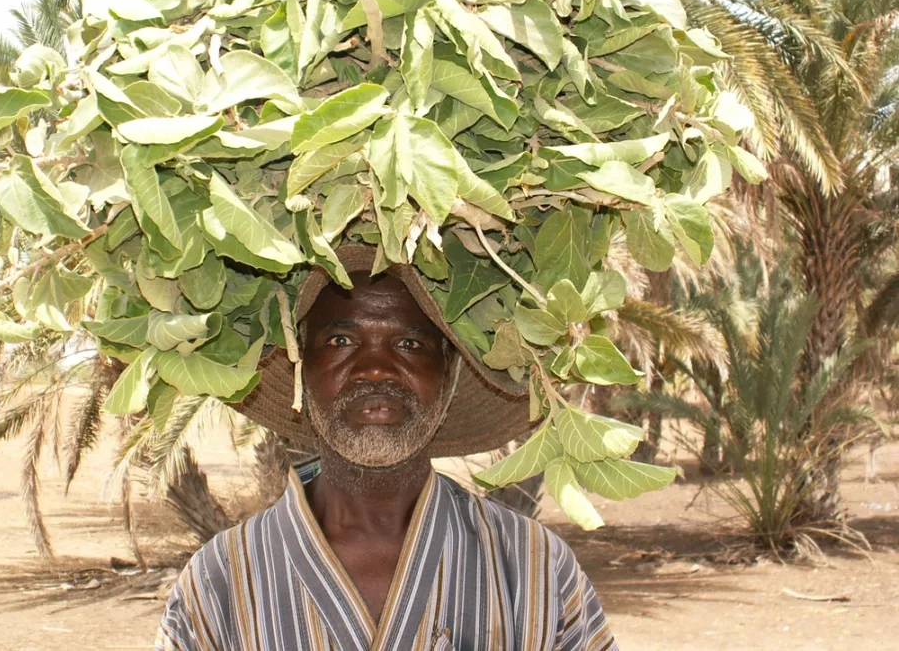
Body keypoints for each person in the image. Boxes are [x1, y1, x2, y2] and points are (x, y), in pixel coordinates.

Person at [154, 245, 617, 650]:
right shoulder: (221, 580)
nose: (375, 370)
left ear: (449, 372)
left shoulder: (533, 567)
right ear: (300, 367)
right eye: (341, 340)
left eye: (410, 343)